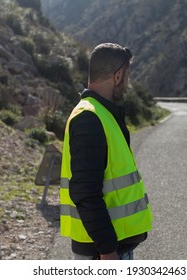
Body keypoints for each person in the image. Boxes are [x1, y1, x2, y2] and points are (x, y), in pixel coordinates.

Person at [60, 43, 153, 260]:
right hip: (102, 253)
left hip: (109, 249)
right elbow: (85, 192)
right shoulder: (89, 118)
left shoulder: (100, 113)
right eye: (127, 77)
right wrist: (108, 251)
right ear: (118, 76)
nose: (127, 84)